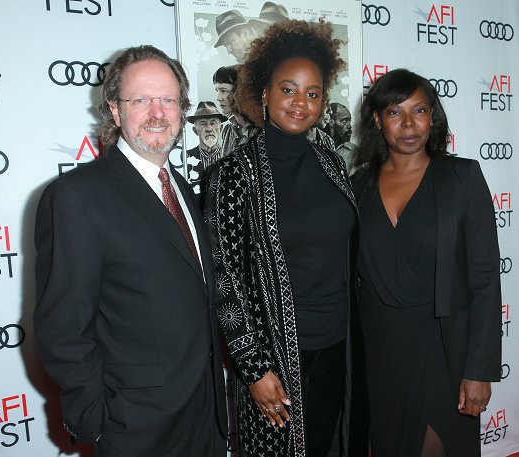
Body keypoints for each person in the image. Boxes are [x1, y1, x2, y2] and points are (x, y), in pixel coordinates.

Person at [33, 45, 227, 457]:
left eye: (169, 100)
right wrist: (98, 422)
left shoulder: (183, 188)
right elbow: (63, 327)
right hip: (135, 427)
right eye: (140, 100)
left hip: (205, 415)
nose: (157, 112)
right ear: (116, 112)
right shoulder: (76, 196)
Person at [206, 19, 362, 457]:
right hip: (275, 360)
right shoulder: (234, 175)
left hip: (337, 347)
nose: (300, 102)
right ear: (263, 93)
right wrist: (254, 370)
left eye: (313, 93)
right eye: (288, 89)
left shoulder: (330, 160)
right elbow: (225, 280)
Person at [352, 68, 502, 457]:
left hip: (444, 352)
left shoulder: (462, 178)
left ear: (432, 116)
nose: (407, 124)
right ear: (376, 119)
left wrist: (479, 370)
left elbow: (485, 279)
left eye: (418, 111)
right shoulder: (358, 187)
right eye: (394, 112)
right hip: (380, 354)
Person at [213, 65, 255, 158]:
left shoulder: (260, 131)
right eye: (217, 91)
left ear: (240, 92)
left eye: (224, 91)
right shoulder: (227, 130)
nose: (218, 98)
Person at [185, 101, 227, 193]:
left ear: (221, 128)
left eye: (213, 123)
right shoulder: (185, 159)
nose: (208, 129)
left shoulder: (231, 157)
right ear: (195, 131)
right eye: (203, 124)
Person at [329, 102, 356, 171]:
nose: (350, 126)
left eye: (349, 121)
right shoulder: (317, 148)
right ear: (330, 122)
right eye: (344, 121)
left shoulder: (357, 153)